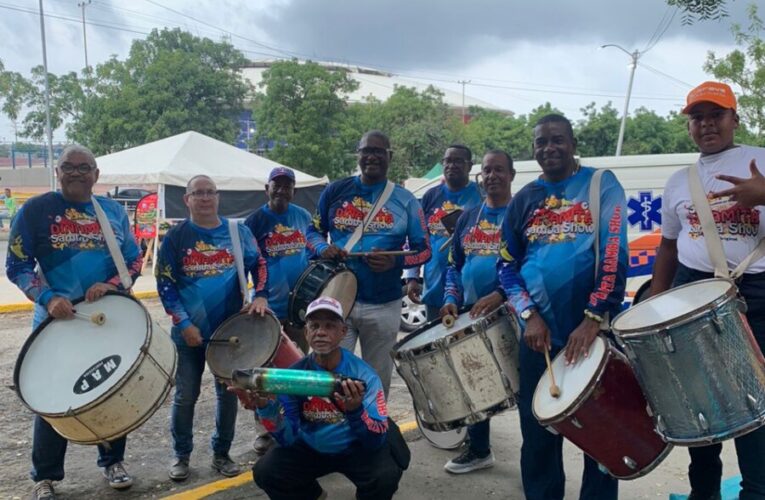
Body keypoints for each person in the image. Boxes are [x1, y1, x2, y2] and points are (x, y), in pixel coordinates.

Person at [498, 114, 628, 500]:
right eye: (541, 142)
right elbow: (506, 266)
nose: (548, 148)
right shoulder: (524, 199)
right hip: (539, 340)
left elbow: (614, 253)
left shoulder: (601, 184)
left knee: (601, 435)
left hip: (593, 337)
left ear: (573, 144)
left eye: (557, 140)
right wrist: (528, 315)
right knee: (538, 437)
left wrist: (593, 318)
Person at [6, 145, 143, 500]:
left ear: (96, 175)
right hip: (55, 322)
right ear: (58, 172)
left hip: (104, 319)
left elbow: (133, 261)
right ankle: (46, 476)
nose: (77, 173)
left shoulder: (112, 212)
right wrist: (47, 297)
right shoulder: (35, 211)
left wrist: (111, 285)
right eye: (69, 166)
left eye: (85, 168)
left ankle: (113, 461)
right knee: (52, 397)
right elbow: (17, 265)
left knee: (111, 388)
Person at [649, 81, 765, 500]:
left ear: (735, 118)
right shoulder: (680, 181)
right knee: (699, 401)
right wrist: (655, 294)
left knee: (756, 404)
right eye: (697, 117)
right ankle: (704, 493)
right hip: (692, 290)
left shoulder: (760, 161)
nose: (707, 124)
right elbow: (668, 243)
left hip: (754, 294)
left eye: (716, 114)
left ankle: (757, 490)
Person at [156, 174, 269, 481]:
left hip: (229, 333)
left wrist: (259, 295)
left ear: (218, 197)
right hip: (188, 334)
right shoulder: (176, 237)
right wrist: (184, 323)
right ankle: (181, 456)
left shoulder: (237, 232)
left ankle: (221, 453)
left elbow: (259, 264)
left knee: (228, 395)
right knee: (185, 397)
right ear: (187, 199)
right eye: (198, 193)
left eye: (210, 192)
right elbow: (165, 284)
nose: (204, 198)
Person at [236, 296, 405, 500]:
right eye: (314, 326)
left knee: (385, 476)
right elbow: (287, 438)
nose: (321, 332)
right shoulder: (294, 377)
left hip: (354, 446)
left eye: (330, 326)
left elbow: (375, 440)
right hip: (313, 446)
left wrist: (355, 411)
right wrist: (265, 408)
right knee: (267, 471)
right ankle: (312, 495)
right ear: (306, 333)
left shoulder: (364, 375)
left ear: (343, 332)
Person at [306, 130, 431, 395]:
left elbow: (424, 250)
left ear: (390, 156)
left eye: (378, 151)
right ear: (358, 155)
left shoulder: (405, 200)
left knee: (376, 378)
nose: (372, 156)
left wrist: (394, 264)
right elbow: (312, 232)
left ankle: (373, 431)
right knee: (329, 375)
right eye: (366, 151)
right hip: (337, 301)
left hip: (384, 303)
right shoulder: (335, 191)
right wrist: (323, 248)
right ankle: (331, 433)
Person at [440, 150, 515, 474]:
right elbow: (455, 265)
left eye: (499, 170)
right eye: (487, 171)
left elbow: (528, 266)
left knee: (522, 388)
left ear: (511, 175)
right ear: (480, 177)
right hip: (472, 313)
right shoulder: (469, 217)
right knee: (476, 382)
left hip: (514, 310)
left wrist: (500, 295)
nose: (492, 175)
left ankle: (538, 461)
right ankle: (480, 449)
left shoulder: (520, 214)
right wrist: (451, 297)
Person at [245, 166, 313, 454]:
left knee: (297, 368)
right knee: (265, 371)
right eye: (277, 185)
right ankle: (264, 429)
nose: (282, 189)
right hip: (267, 309)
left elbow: (312, 253)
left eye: (288, 185)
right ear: (267, 188)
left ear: (294, 190)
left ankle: (295, 423)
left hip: (299, 309)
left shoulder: (303, 217)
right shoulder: (255, 221)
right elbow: (247, 264)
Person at [405, 144, 483, 321]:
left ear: (470, 166)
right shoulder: (431, 196)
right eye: (448, 161)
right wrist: (412, 277)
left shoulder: (481, 195)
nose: (452, 165)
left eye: (458, 161)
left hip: (470, 291)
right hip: (435, 287)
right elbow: (417, 237)